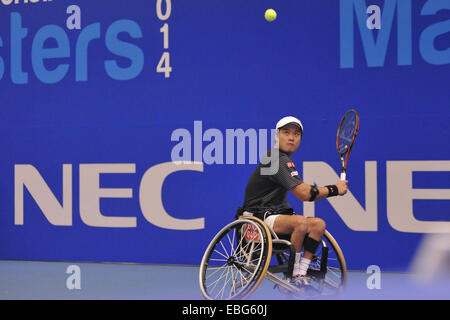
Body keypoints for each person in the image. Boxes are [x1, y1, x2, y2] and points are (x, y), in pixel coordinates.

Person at [237, 116, 348, 286]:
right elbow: (304, 194)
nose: (291, 137)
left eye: (296, 134)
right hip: (257, 218)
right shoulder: (276, 159)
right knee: (300, 222)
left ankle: (301, 271)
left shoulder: (282, 158)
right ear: (277, 136)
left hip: (274, 216)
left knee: (318, 225)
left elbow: (305, 191)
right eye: (286, 132)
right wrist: (335, 189)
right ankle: (293, 274)